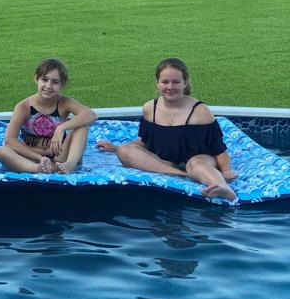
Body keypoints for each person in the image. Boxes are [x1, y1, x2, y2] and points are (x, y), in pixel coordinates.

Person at [97, 57, 237, 201]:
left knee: (195, 164)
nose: (170, 87)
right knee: (124, 150)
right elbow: (146, 141)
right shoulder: (150, 108)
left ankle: (222, 187)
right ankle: (184, 175)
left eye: (176, 82)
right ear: (157, 83)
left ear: (185, 83)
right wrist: (116, 148)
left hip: (199, 159)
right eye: (165, 82)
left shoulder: (200, 112)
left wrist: (226, 170)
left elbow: (219, 148)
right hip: (165, 162)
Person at [0, 58, 97, 174]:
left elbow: (91, 115)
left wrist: (62, 128)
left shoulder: (64, 103)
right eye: (44, 80)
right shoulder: (24, 106)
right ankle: (37, 169)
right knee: (2, 150)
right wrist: (39, 157)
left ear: (62, 84)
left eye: (54, 82)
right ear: (36, 79)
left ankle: (70, 164)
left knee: (82, 126)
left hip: (60, 157)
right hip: (32, 157)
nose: (48, 86)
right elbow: (10, 139)